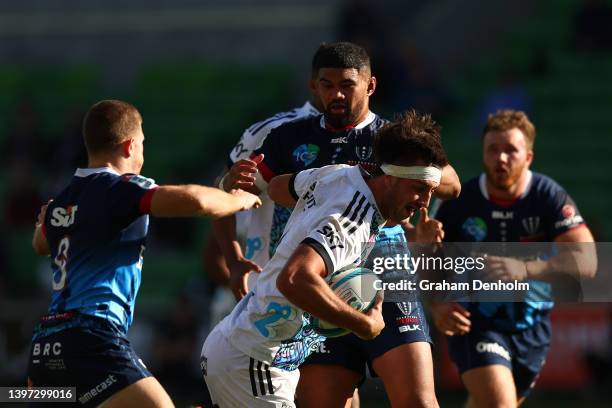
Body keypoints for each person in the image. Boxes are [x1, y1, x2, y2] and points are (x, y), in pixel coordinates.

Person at [222, 41, 458, 407]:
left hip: (387, 279)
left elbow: (451, 183)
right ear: (313, 87)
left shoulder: (392, 139)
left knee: (419, 403)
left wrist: (399, 172)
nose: (336, 94)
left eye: (346, 85)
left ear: (370, 86)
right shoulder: (289, 136)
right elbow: (249, 191)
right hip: (319, 293)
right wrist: (232, 187)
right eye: (327, 85)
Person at [27, 99, 261, 408]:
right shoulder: (119, 188)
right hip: (92, 338)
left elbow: (40, 243)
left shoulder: (64, 198)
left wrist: (45, 219)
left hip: (45, 347)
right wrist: (238, 200)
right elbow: (195, 201)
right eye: (141, 144)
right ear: (128, 147)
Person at [431, 109, 597, 407]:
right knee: (499, 403)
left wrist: (526, 268)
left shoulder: (547, 196)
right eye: (493, 149)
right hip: (473, 322)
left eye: (511, 150)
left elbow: (587, 261)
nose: (501, 158)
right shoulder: (460, 203)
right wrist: (436, 303)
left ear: (528, 157)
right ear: (483, 153)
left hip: (531, 328)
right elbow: (427, 259)